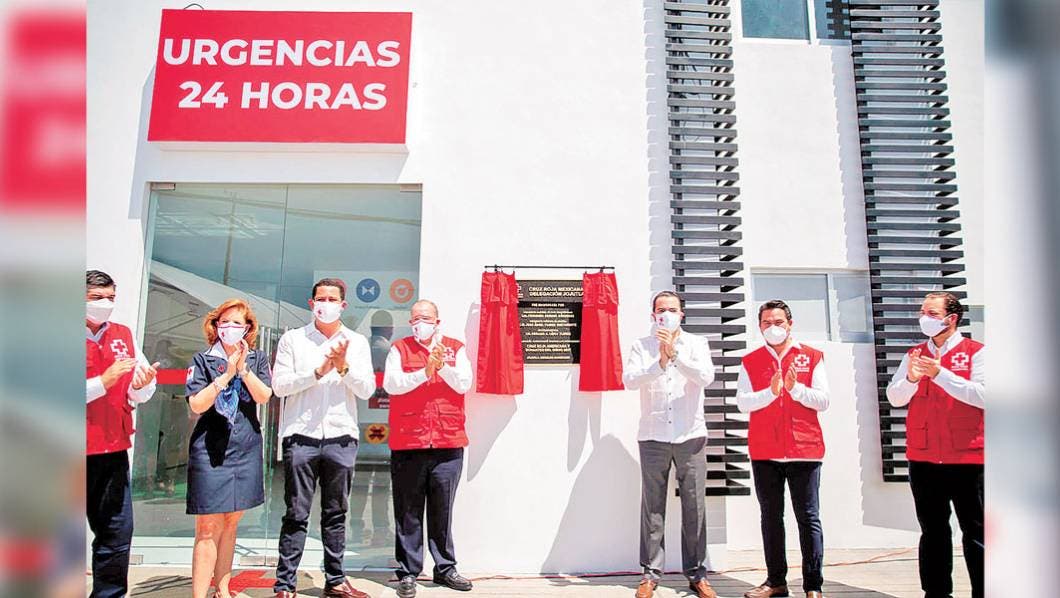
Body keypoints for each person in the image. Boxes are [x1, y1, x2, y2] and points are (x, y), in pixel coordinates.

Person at [271, 278, 376, 598]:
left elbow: (367, 389)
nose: (325, 304)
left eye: (332, 299)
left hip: (340, 437)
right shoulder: (293, 339)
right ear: (311, 302)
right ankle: (285, 583)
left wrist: (342, 367)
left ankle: (335, 580)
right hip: (300, 436)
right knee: (296, 513)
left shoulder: (356, 342)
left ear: (343, 305)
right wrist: (318, 371)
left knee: (336, 512)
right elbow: (280, 386)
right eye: (321, 298)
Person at [886, 292, 984, 598]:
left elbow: (983, 395)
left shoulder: (976, 353)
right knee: (933, 532)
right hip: (925, 459)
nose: (923, 317)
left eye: (931, 312)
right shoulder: (913, 354)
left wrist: (940, 375)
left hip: (968, 459)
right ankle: (937, 593)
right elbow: (895, 397)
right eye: (922, 312)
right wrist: (912, 380)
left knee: (977, 533)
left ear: (951, 318)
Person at [622, 291, 717, 598]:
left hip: (691, 435)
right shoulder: (641, 345)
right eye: (661, 310)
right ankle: (650, 574)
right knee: (653, 507)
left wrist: (675, 354)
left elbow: (705, 377)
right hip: (653, 435)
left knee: (695, 506)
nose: (666, 314)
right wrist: (660, 362)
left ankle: (697, 573)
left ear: (682, 314)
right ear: (653, 315)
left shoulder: (696, 344)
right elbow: (630, 380)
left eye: (672, 309)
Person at [737, 300, 830, 598]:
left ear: (790, 324)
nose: (772, 327)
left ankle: (813, 586)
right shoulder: (750, 361)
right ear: (760, 326)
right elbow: (743, 402)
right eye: (766, 323)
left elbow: (823, 401)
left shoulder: (812, 357)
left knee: (808, 517)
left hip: (805, 449)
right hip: (766, 451)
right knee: (771, 517)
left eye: (778, 321)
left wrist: (795, 390)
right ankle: (776, 581)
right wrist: (771, 391)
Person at [383, 300, 474, 598]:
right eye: (415, 318)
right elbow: (392, 384)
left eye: (426, 318)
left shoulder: (455, 347)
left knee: (442, 510)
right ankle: (408, 572)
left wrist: (441, 365)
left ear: (438, 321)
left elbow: (463, 383)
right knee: (408, 511)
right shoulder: (399, 348)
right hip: (409, 442)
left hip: (447, 442)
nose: (419, 323)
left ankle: (445, 568)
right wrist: (425, 371)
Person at [185, 298, 274, 598]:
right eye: (226, 322)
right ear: (215, 325)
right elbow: (197, 403)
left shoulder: (257, 359)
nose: (231, 328)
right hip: (210, 447)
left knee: (232, 521)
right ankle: (199, 594)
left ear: (248, 328)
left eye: (238, 323)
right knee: (208, 525)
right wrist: (225, 375)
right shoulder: (202, 360)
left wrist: (243, 370)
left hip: (245, 446)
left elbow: (264, 396)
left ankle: (222, 588)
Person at [85, 269, 159, 597]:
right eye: (96, 298)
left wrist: (142, 386)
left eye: (110, 298)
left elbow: (139, 388)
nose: (105, 304)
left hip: (110, 450)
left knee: (116, 532)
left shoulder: (122, 334)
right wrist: (104, 381)